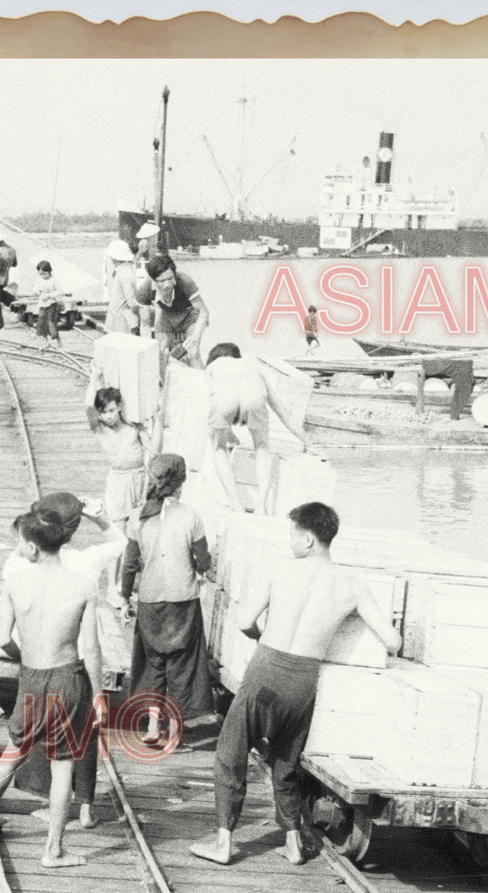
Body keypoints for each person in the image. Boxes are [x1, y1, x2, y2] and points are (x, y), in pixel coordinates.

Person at [190, 502, 401, 867]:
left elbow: (244, 620)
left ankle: (223, 842)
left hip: (267, 671)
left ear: (307, 538)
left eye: (292, 535)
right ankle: (292, 843)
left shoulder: (281, 571)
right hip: (304, 680)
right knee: (286, 762)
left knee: (230, 754)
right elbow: (393, 642)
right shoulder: (352, 586)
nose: (289, 542)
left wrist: (264, 637)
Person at [0, 508, 103, 869]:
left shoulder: (15, 584)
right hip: (67, 680)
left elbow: (2, 639)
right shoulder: (83, 586)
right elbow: (91, 649)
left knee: (13, 751)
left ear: (32, 547)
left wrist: (22, 658)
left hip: (31, 677)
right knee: (63, 765)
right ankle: (53, 851)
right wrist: (98, 695)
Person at [2, 493, 126, 831]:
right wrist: (99, 517)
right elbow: (121, 541)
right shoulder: (88, 560)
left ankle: (53, 806)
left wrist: (23, 659)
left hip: (46, 663)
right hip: (83, 662)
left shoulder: (20, 562)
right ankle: (85, 809)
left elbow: (9, 628)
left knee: (47, 740)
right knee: (84, 735)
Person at [121, 453, 214, 747]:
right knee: (183, 666)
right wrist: (205, 565)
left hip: (150, 602)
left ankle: (150, 727)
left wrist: (124, 597)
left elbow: (129, 564)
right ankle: (174, 732)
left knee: (152, 664)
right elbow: (202, 562)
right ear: (181, 483)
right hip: (183, 602)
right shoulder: (191, 516)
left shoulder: (138, 516)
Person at [204, 343, 311, 515]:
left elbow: (217, 405)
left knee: (218, 449)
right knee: (262, 446)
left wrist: (228, 435)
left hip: (224, 399)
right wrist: (309, 443)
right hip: (253, 396)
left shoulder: (212, 367)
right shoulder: (252, 366)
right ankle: (262, 506)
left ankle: (236, 506)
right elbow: (284, 413)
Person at [86, 363, 159, 528]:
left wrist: (157, 420)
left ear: (119, 408)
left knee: (140, 523)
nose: (108, 416)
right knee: (119, 523)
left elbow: (154, 449)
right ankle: (120, 553)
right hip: (118, 479)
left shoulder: (133, 427)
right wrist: (94, 377)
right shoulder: (100, 429)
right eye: (103, 412)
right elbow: (89, 406)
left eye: (111, 410)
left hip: (139, 477)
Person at [135, 255, 210, 369]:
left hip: (189, 315)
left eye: (170, 278)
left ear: (174, 275)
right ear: (153, 279)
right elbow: (145, 324)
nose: (166, 285)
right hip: (166, 315)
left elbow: (203, 312)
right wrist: (148, 348)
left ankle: (201, 384)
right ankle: (165, 384)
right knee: (162, 352)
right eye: (161, 281)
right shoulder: (144, 289)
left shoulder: (185, 281)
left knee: (193, 352)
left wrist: (195, 335)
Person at [103, 239, 142, 335]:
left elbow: (132, 303)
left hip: (122, 324)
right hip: (118, 320)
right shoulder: (123, 272)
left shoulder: (124, 274)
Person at [33, 260, 64, 350]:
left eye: (45, 274)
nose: (43, 276)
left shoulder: (53, 280)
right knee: (41, 322)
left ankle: (57, 339)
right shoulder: (39, 281)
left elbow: (59, 292)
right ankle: (44, 341)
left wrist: (50, 295)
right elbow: (35, 290)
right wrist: (38, 291)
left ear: (50, 272)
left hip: (51, 304)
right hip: (42, 305)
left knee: (51, 322)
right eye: (41, 274)